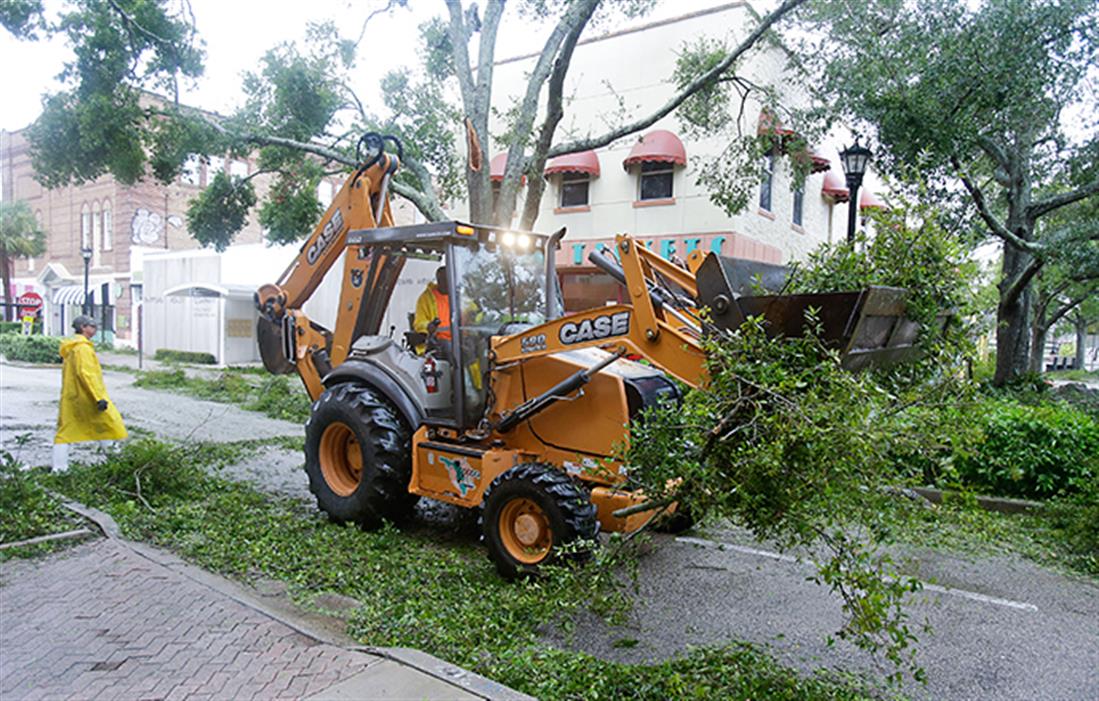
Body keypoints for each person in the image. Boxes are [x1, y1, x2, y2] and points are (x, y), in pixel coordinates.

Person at [52, 315, 127, 471]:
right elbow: (87, 374)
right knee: (107, 425)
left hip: (73, 397)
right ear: (83, 328)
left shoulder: (73, 347)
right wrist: (98, 397)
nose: (95, 329)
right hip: (88, 397)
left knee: (65, 432)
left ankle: (59, 469)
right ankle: (118, 463)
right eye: (92, 326)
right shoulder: (83, 348)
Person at [413, 266, 452, 345]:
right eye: (442, 280)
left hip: (460, 338)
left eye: (448, 279)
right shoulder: (426, 298)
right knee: (448, 347)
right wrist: (428, 325)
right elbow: (419, 322)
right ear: (438, 280)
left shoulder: (459, 296)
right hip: (438, 339)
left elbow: (471, 312)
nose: (445, 283)